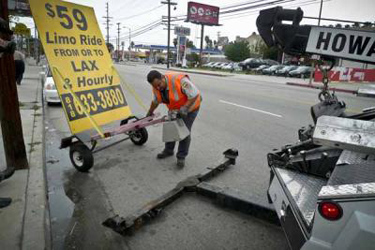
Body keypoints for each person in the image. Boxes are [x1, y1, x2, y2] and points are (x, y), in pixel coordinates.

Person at [146, 70, 202, 168]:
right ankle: (168, 150)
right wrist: (150, 112)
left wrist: (185, 108)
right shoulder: (156, 87)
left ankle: (181, 156)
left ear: (163, 77)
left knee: (184, 131)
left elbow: (194, 93)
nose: (158, 88)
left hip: (191, 108)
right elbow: (156, 101)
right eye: (155, 86)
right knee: (171, 127)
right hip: (175, 109)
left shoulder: (179, 80)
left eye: (159, 84)